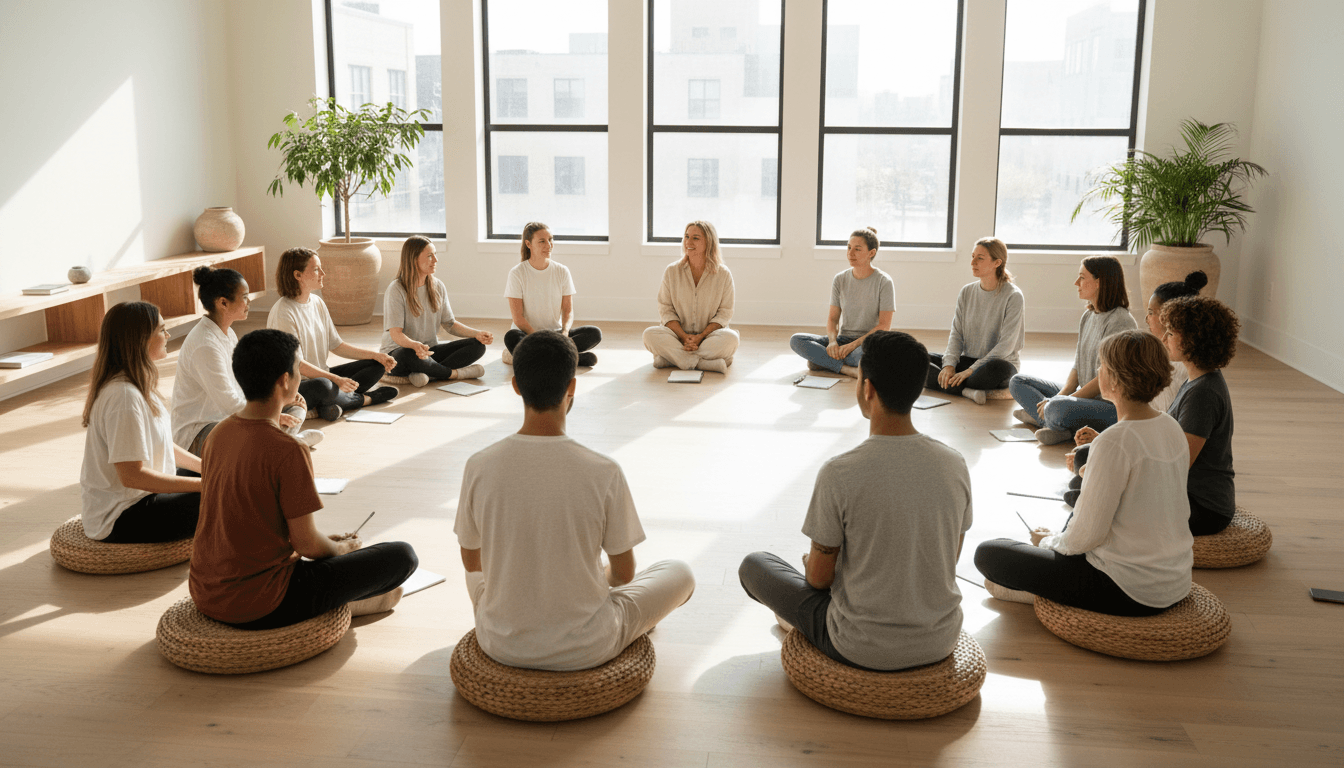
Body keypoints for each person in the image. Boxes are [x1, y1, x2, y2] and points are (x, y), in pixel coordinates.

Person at [455, 330, 696, 671]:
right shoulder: (604, 471)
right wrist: (595, 578)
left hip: (500, 643)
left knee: (479, 578)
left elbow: (471, 562)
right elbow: (625, 574)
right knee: (680, 572)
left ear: (515, 386)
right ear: (572, 386)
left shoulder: (478, 465)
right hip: (587, 645)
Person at [739, 331, 973, 671]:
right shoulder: (955, 463)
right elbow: (948, 559)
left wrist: (815, 565)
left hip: (859, 645)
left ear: (867, 389)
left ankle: (802, 624)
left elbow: (818, 580)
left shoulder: (839, 472)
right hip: (940, 639)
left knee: (755, 565)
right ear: (917, 389)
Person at [189, 329, 417, 629]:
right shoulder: (288, 449)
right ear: (285, 380)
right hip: (262, 602)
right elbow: (307, 544)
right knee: (402, 555)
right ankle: (353, 602)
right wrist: (340, 550)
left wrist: (324, 545)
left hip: (205, 591)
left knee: (336, 553)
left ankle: (353, 597)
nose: (300, 375)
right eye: (298, 369)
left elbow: (256, 522)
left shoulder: (218, 434)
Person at [976, 330, 1191, 615]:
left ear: (1113, 379)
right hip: (1176, 580)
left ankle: (1039, 595)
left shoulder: (1113, 442)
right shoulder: (1171, 426)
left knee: (990, 553)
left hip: (1127, 588)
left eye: (1102, 366)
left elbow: (1086, 537)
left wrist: (1047, 542)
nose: (1099, 371)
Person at [1064, 271, 1206, 502]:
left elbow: (1170, 454)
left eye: (1151, 312)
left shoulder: (1180, 373)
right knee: (1083, 460)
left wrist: (1105, 452)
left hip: (1162, 470)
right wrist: (1104, 440)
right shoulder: (1166, 360)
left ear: (1171, 319)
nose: (1147, 318)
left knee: (1083, 469)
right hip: (1150, 449)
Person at [80, 301, 201, 543]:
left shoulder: (138, 385)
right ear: (140, 339)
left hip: (143, 496)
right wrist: (208, 484)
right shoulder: (124, 397)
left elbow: (164, 445)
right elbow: (132, 477)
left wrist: (210, 469)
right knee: (229, 493)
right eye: (161, 330)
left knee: (228, 474)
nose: (168, 335)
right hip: (123, 515)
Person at [174, 266, 319, 456]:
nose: (248, 301)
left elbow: (242, 383)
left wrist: (279, 396)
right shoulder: (205, 345)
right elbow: (229, 403)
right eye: (244, 296)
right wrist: (271, 416)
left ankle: (283, 443)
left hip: (230, 419)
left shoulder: (227, 333)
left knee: (296, 406)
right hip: (200, 433)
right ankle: (287, 443)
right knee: (268, 424)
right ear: (223, 303)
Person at [1009, 255, 1137, 444]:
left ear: (1099, 282)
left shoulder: (1121, 321)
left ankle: (1050, 421)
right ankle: (1054, 424)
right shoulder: (1088, 316)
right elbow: (1077, 367)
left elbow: (1106, 378)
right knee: (1018, 381)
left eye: (1082, 277)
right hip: (1084, 395)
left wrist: (1057, 403)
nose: (1076, 282)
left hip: (1108, 406)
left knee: (1059, 408)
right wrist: (1059, 397)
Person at [268, 248, 398, 420]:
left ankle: (330, 405)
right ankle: (365, 399)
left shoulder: (317, 303)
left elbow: (337, 345)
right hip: (297, 387)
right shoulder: (283, 312)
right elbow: (296, 364)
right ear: (297, 275)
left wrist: (377, 355)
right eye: (316, 269)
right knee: (324, 386)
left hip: (323, 374)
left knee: (376, 365)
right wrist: (336, 379)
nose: (323, 273)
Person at [1161, 295, 1241, 535]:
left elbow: (1179, 463)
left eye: (1171, 333)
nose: (1164, 338)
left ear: (1193, 340)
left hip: (1204, 508)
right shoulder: (1198, 380)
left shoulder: (1202, 394)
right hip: (1189, 495)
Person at [381, 236, 493, 387]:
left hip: (429, 351)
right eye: (429, 256)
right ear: (413, 259)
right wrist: (415, 346)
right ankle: (453, 374)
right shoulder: (396, 289)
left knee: (477, 346)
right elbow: (396, 333)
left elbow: (450, 324)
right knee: (408, 355)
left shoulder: (437, 286)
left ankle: (426, 372)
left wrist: (476, 333)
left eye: (435, 254)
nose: (435, 260)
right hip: (400, 352)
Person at [925, 237, 1025, 404]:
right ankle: (967, 391)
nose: (972, 262)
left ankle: (959, 385)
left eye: (980, 258)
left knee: (989, 373)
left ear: (997, 262)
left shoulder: (1013, 296)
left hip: (997, 365)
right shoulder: (966, 292)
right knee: (918, 360)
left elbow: (1005, 346)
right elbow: (956, 334)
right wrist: (949, 365)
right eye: (972, 256)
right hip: (970, 360)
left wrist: (970, 371)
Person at [788, 227, 894, 378]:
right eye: (849, 247)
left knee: (865, 356)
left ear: (871, 253)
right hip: (843, 339)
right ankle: (846, 369)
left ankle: (822, 361)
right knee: (797, 340)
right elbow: (833, 318)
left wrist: (852, 346)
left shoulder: (884, 282)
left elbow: (884, 326)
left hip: (867, 343)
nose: (850, 253)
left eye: (857, 249)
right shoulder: (840, 279)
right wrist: (832, 342)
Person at [641, 221, 739, 373]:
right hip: (677, 337)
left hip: (709, 338)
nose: (688, 242)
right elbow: (666, 310)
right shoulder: (672, 271)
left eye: (695, 238)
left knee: (731, 339)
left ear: (709, 242)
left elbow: (724, 313)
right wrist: (684, 336)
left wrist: (700, 337)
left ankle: (671, 359)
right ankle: (705, 363)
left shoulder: (723, 274)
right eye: (686, 236)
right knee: (649, 335)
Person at [501, 222, 602, 368]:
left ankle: (540, 358)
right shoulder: (517, 273)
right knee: (511, 337)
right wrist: (540, 338)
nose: (549, 245)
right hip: (529, 335)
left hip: (555, 334)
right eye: (542, 241)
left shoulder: (562, 271)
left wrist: (565, 333)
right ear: (528, 244)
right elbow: (518, 318)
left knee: (594, 333)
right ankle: (566, 358)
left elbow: (568, 309)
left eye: (550, 239)